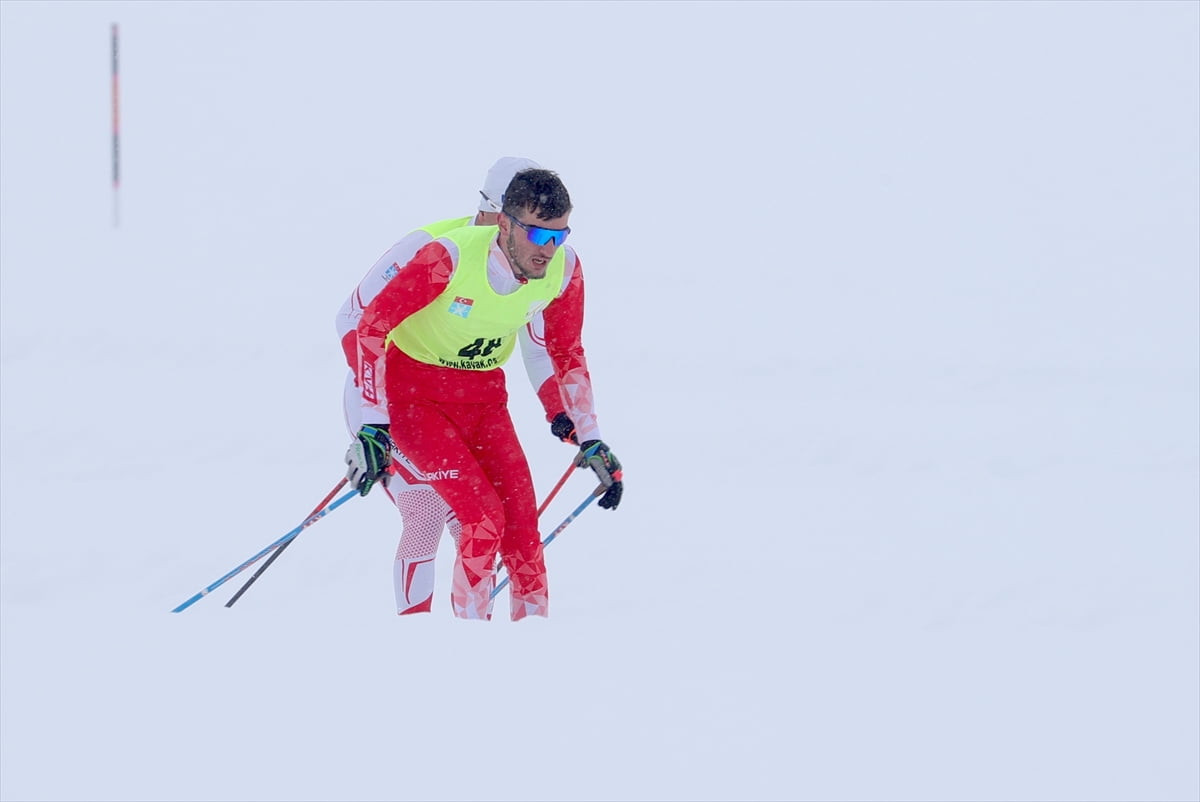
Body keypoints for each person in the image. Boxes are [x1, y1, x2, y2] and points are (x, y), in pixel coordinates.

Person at [349, 168, 623, 621]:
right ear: (504, 224)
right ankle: (471, 647)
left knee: (524, 535)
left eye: (560, 235)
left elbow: (565, 352)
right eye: (537, 234)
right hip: (415, 400)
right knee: (481, 520)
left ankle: (532, 643)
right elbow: (368, 326)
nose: (548, 250)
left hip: (484, 400)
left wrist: (589, 435)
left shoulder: (565, 268)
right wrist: (371, 425)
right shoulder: (448, 257)